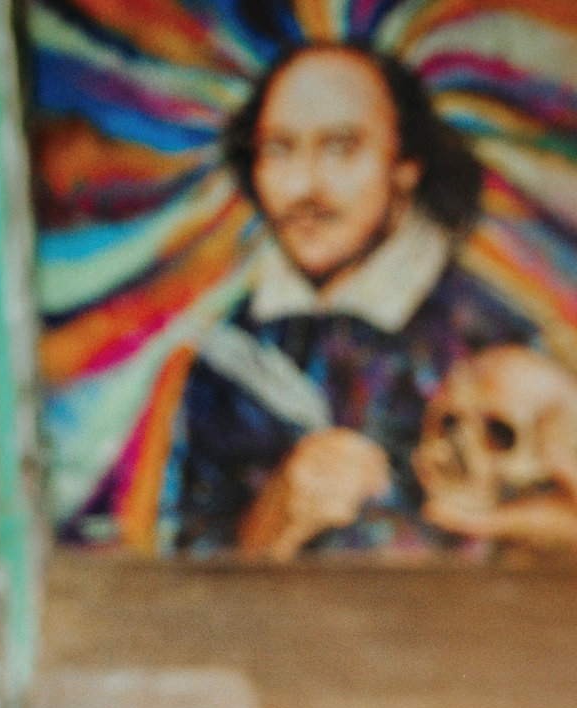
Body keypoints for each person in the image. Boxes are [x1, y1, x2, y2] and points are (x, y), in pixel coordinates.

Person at [173, 42, 538, 559]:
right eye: (279, 149)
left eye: (341, 148)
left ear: (406, 164)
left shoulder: (490, 337)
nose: (305, 186)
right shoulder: (228, 353)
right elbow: (188, 559)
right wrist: (269, 521)